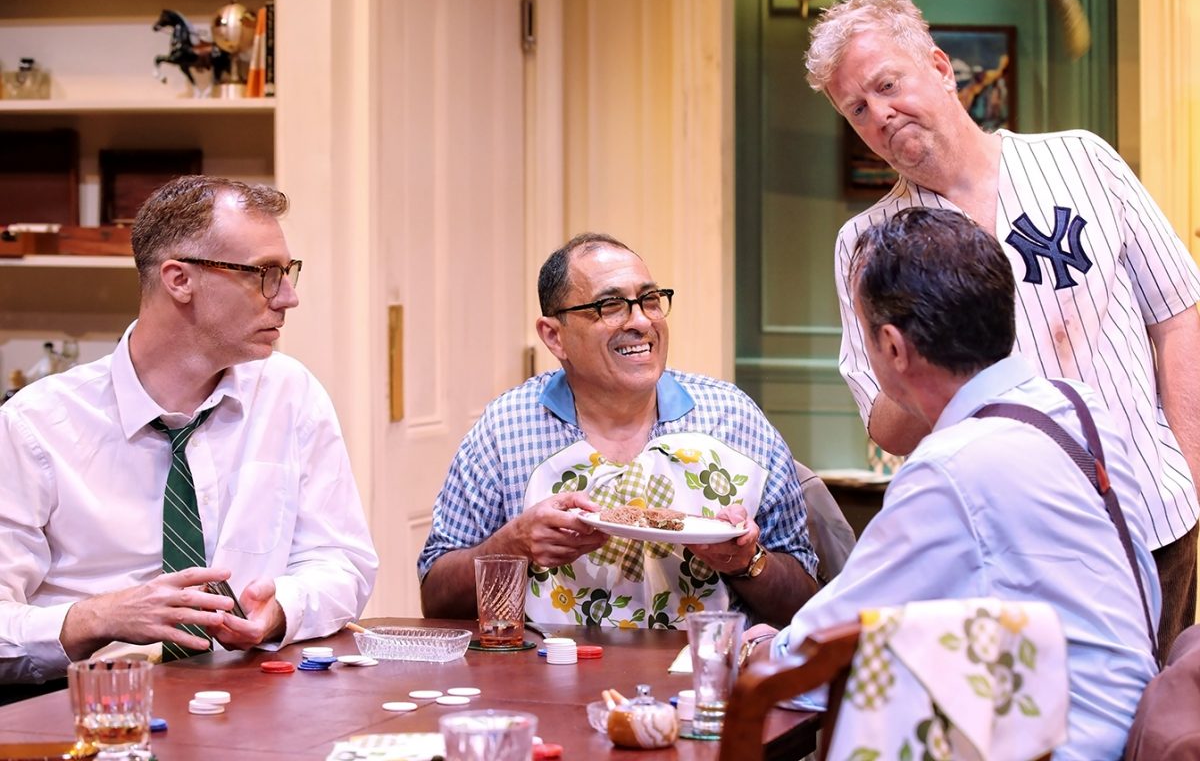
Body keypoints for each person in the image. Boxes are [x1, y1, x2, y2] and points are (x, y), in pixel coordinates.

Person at [806, 0, 1200, 660]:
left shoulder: (1084, 162)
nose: (879, 115)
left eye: (887, 84)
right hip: (999, 546)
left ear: (937, 64)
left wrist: (1191, 477)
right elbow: (884, 425)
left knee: (1157, 732)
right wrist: (917, 360)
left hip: (1148, 522)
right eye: (857, 109)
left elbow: (1178, 317)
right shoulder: (869, 245)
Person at [746, 207, 1159, 760]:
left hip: (1057, 743)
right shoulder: (1078, 408)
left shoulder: (952, 465)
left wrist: (762, 649)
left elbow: (818, 662)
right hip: (1126, 726)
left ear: (892, 347)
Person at [0, 176, 378, 695]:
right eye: (264, 274)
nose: (287, 297)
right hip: (92, 709)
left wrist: (280, 609)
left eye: (287, 272)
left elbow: (342, 562)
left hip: (251, 697)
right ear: (179, 279)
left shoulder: (290, 394)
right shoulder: (36, 427)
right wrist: (95, 618)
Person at [418, 234, 821, 629]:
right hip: (545, 682)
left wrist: (747, 561)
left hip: (698, 679)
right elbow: (436, 598)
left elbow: (806, 604)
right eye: (611, 306)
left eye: (649, 300)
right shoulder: (506, 429)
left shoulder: (733, 420)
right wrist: (513, 546)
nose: (642, 321)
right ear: (554, 336)